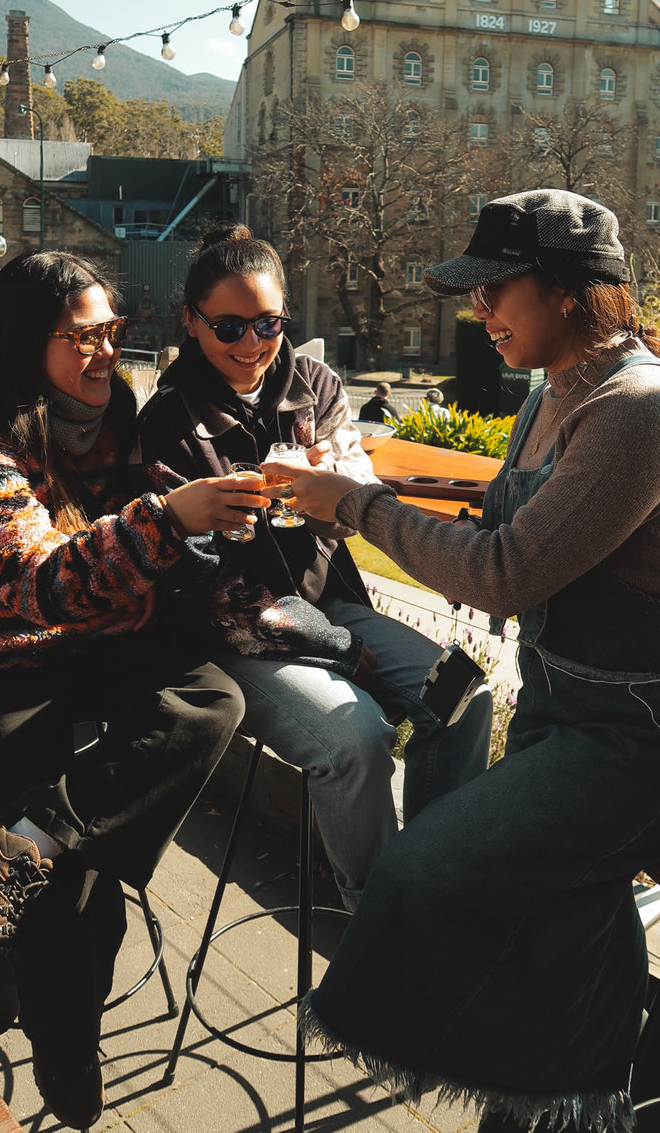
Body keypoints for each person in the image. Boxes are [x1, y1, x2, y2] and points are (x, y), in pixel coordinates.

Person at [288, 189, 660, 1133]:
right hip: (570, 718)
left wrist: (349, 505)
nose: (478, 311)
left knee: (425, 868)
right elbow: (508, 529)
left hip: (656, 742)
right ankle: (570, 1110)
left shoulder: (642, 409)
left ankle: (542, 1097)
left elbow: (502, 574)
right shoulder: (555, 390)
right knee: (566, 911)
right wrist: (368, 477)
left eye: (496, 288)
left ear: (572, 292)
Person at [0, 251, 267, 1129]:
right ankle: (64, 1048)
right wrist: (167, 520)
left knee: (212, 700)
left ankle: (0, 859)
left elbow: (122, 555)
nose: (105, 354)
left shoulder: (113, 420)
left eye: (112, 333)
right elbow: (38, 586)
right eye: (82, 339)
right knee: (79, 898)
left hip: (93, 645)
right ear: (28, 345)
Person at [137, 225, 493, 912]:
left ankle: (426, 880)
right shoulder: (167, 423)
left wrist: (331, 489)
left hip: (327, 600)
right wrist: (342, 647)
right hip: (233, 636)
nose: (250, 345)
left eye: (267, 323)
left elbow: (355, 503)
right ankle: (379, 919)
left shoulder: (315, 384)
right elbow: (196, 584)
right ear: (192, 321)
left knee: (465, 696)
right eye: (229, 327)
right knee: (357, 739)